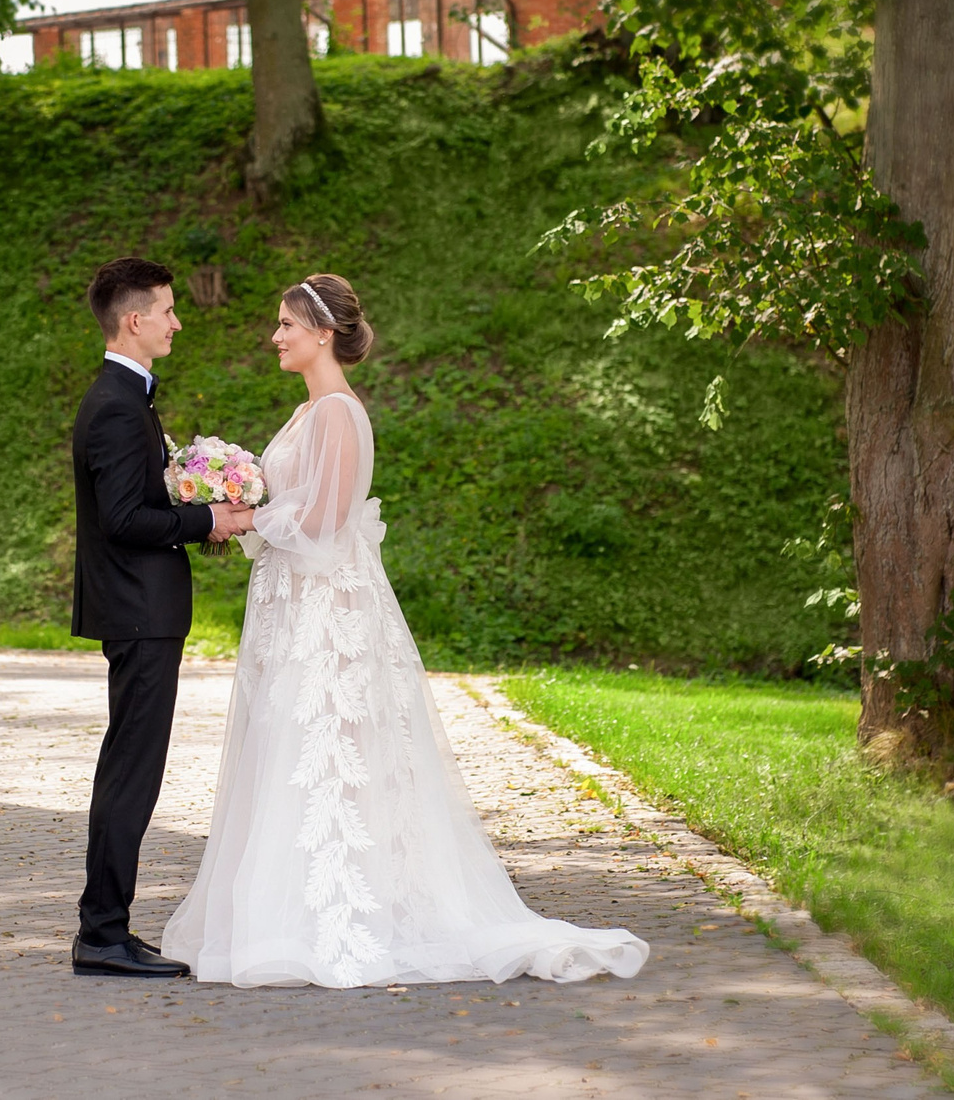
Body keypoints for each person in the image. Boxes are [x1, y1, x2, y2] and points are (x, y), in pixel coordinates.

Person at [162, 273, 650, 988]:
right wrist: (232, 489)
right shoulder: (308, 414)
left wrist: (240, 516)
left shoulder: (338, 413)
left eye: (287, 326)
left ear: (322, 332)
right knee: (288, 747)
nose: (276, 336)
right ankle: (283, 908)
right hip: (292, 606)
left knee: (325, 746)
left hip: (326, 612)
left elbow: (325, 521)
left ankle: (334, 912)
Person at [69, 256, 250, 979]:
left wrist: (194, 512)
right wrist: (206, 516)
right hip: (139, 611)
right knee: (131, 773)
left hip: (144, 611)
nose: (178, 321)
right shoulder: (115, 403)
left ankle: (109, 926)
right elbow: (120, 518)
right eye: (169, 310)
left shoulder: (128, 396)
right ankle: (101, 932)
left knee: (131, 768)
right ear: (135, 319)